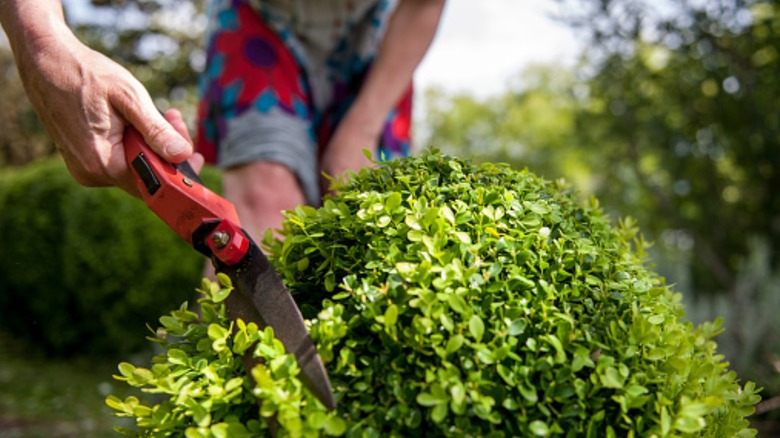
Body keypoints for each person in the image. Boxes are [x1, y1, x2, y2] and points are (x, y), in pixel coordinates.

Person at [0, 0, 445, 243]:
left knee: (362, 220)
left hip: (382, 35)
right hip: (259, 23)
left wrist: (363, 125)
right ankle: (245, 396)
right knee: (264, 201)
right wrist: (44, 43)